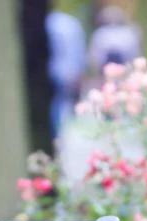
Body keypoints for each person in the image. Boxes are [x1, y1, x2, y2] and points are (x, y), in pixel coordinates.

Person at [46, 10, 86, 140]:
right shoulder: (71, 23)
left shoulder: (48, 22)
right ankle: (60, 134)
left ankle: (55, 134)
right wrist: (79, 72)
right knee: (62, 103)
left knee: (56, 102)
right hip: (69, 71)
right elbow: (79, 52)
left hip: (52, 69)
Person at [88, 6, 142, 71]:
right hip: (116, 68)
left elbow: (94, 57)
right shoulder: (129, 32)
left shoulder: (101, 33)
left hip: (114, 68)